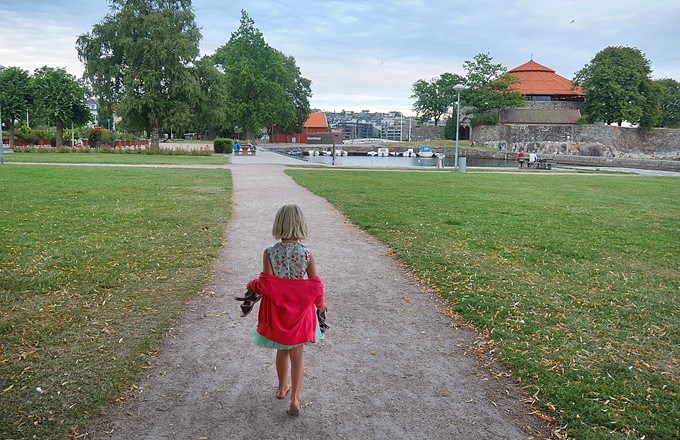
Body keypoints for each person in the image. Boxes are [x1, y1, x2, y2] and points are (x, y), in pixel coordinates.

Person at [246, 204, 327, 416]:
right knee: (297, 352)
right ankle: (295, 399)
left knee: (281, 349)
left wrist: (251, 285)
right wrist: (320, 303)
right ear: (301, 225)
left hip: (278, 310)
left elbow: (266, 284)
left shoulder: (270, 253)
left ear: (279, 224)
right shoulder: (307, 254)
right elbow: (315, 283)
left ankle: (282, 388)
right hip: (301, 311)